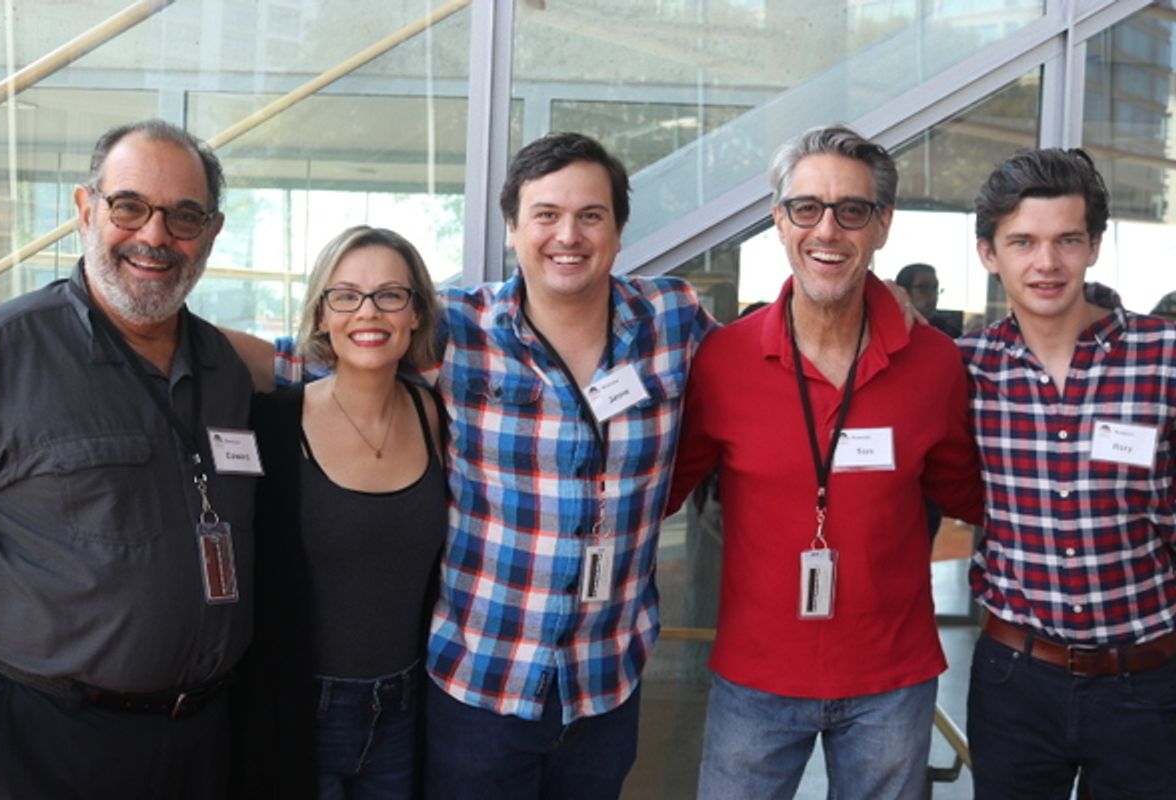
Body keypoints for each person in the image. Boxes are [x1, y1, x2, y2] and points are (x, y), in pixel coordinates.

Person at [229, 132, 715, 799]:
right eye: (545, 215)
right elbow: (297, 356)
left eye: (590, 215)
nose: (566, 234)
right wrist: (147, 321)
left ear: (618, 229)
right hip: (482, 684)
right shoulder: (456, 330)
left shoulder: (674, 319)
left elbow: (767, 363)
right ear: (512, 228)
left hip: (605, 682)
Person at [666, 125, 984, 800]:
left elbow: (971, 491)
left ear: (882, 226)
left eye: (853, 210)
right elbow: (658, 492)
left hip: (892, 680)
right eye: (806, 208)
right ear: (779, 222)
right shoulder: (723, 360)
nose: (827, 230)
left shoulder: (933, 363)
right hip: (755, 677)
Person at [0, 119, 255, 798]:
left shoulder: (226, 370)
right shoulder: (0, 353)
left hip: (205, 741)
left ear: (211, 234)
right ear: (84, 210)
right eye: (129, 206)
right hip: (41, 746)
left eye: (184, 216)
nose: (156, 236)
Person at [961, 148, 1176, 798]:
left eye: (1066, 241)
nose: (1046, 263)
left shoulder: (1164, 360)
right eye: (1022, 241)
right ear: (989, 254)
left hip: (1148, 681)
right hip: (1013, 682)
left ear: (1094, 247)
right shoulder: (962, 369)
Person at [233, 226, 446, 799]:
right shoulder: (273, 423)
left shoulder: (436, 415)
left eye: (390, 295)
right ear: (322, 316)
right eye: (345, 295)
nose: (368, 312)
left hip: (407, 708)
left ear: (417, 314)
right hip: (301, 708)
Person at [896, 262, 962, 337]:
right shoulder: (891, 330)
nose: (932, 295)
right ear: (904, 291)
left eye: (934, 288)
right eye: (923, 288)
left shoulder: (949, 332)